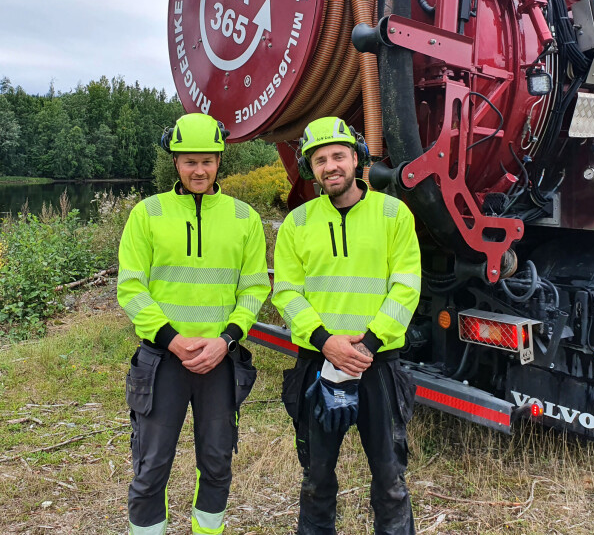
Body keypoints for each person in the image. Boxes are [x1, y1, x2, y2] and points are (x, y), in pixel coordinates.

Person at [117, 112, 270, 535]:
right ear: (175, 162)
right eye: (189, 161)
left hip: (220, 362)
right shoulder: (147, 214)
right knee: (151, 465)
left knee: (218, 462)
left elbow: (254, 289)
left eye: (207, 160)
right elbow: (132, 289)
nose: (199, 170)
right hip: (163, 361)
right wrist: (173, 340)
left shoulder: (244, 218)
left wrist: (226, 339)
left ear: (220, 161)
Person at [273, 116, 422, 535]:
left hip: (378, 365)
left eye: (338, 155)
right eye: (319, 159)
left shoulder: (393, 214)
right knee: (317, 479)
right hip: (319, 366)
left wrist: (368, 345)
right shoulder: (297, 223)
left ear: (357, 159)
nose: (330, 166)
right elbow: (286, 293)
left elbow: (406, 287)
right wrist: (327, 344)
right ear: (310, 168)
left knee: (390, 480)